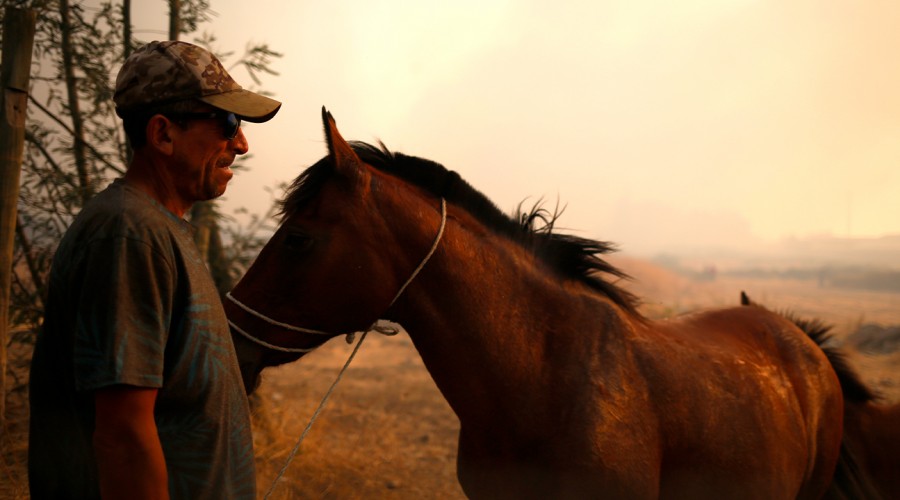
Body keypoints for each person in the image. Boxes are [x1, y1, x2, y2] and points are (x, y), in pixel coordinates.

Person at [28, 40, 281, 500]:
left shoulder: (157, 229)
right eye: (227, 122)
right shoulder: (129, 234)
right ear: (162, 134)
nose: (241, 144)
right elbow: (124, 436)